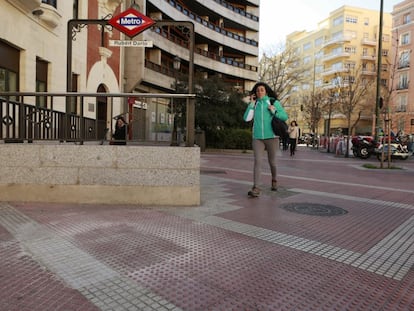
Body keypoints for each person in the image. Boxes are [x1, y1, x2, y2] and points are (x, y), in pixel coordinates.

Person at [243, 82, 288, 197]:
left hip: (272, 137)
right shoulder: (255, 104)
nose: (259, 92)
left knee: (272, 162)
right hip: (257, 138)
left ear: (266, 91)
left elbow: (284, 117)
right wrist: (251, 104)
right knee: (257, 161)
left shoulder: (273, 102)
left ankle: (274, 179)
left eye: (262, 90)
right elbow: (246, 119)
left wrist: (274, 111)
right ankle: (256, 187)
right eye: (257, 91)